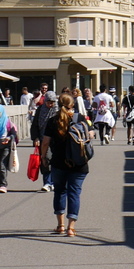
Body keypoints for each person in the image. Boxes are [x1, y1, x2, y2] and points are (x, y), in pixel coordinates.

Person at [41, 92, 90, 237]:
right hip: (79, 163)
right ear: (72, 104)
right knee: (74, 193)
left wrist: (43, 157)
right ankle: (71, 227)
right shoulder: (80, 118)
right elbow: (91, 135)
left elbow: (45, 142)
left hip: (59, 162)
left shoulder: (52, 121)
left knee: (60, 191)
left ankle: (60, 225)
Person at [29, 86, 57, 192]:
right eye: (49, 102)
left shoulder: (58, 110)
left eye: (52, 102)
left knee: (54, 160)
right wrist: (35, 137)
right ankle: (47, 183)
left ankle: (54, 182)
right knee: (44, 159)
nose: (50, 105)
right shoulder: (41, 109)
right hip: (42, 138)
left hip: (56, 140)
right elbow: (35, 125)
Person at [0, 99, 14, 194]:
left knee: (1, 164)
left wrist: (9, 138)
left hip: (5, 145)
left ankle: (3, 184)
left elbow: (14, 133)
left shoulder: (7, 122)